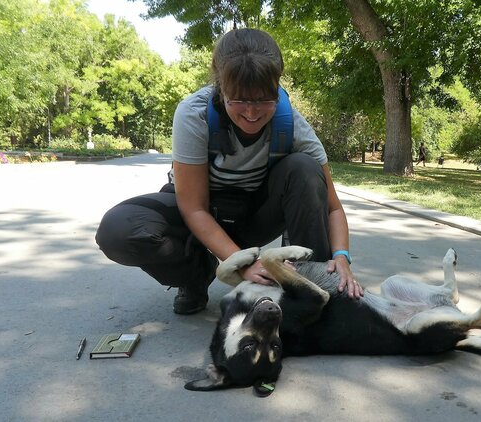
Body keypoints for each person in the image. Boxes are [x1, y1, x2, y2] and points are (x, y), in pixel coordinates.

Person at [95, 28, 362, 315]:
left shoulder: (292, 124)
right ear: (220, 87)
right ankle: (197, 276)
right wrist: (241, 263)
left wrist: (341, 256)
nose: (251, 112)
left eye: (263, 100)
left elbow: (333, 208)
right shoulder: (194, 114)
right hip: (197, 213)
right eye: (239, 99)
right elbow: (194, 208)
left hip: (252, 216)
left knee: (305, 168)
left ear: (276, 87)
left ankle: (308, 283)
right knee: (118, 231)